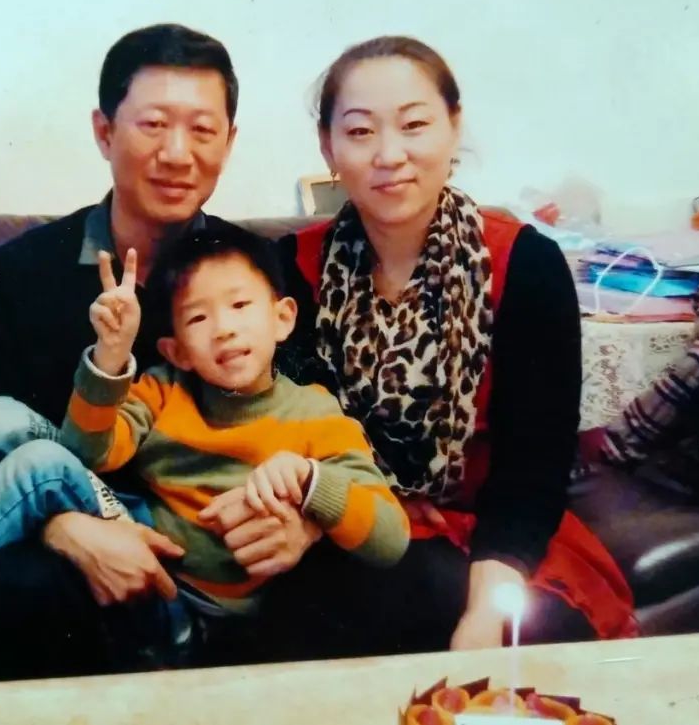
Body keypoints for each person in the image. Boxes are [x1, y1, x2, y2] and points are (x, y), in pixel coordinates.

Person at [0, 225, 407, 657]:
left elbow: (390, 536)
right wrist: (111, 358)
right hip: (134, 526)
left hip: (183, 605)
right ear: (176, 347)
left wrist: (312, 483)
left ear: (283, 317)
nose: (225, 329)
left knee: (39, 461)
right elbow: (90, 455)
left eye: (240, 307)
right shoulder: (162, 387)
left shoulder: (312, 413)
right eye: (199, 317)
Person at [0, 23, 325, 678]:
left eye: (202, 130)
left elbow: (321, 422)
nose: (177, 153)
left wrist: (305, 522)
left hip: (228, 557)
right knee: (19, 587)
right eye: (153, 125)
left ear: (229, 142)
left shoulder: (263, 271)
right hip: (74, 545)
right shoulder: (20, 273)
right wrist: (63, 529)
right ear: (104, 132)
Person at [237, 36, 638, 656]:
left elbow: (532, 469)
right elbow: (282, 432)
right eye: (360, 131)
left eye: (414, 125)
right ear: (328, 148)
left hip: (495, 540)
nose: (389, 155)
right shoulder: (291, 270)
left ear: (454, 128)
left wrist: (485, 612)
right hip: (350, 523)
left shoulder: (525, 264)